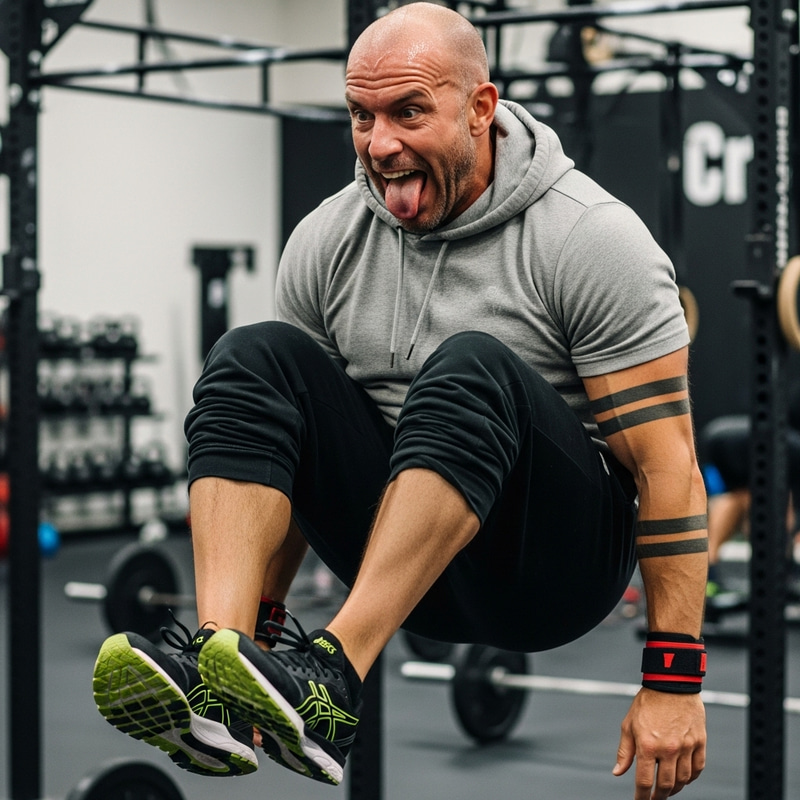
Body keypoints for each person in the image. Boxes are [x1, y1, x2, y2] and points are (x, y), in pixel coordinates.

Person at [91, 4, 708, 798]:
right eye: (361, 115)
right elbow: (287, 449)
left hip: (545, 572)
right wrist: (251, 654)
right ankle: (222, 669)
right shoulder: (329, 239)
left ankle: (334, 681)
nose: (379, 144)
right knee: (254, 356)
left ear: (481, 109)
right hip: (401, 555)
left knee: (473, 365)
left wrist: (674, 679)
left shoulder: (590, 238)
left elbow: (669, 470)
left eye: (408, 112)